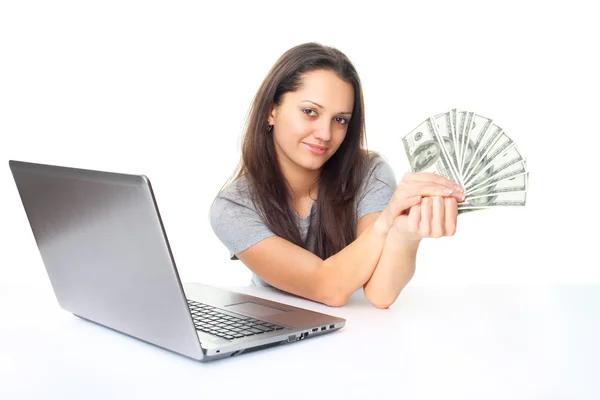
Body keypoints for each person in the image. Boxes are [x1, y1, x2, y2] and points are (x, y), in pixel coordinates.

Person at [209, 42, 465, 309]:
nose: (325, 134)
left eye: (340, 119)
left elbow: (380, 294)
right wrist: (387, 219)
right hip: (275, 332)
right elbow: (327, 287)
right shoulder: (232, 208)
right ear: (271, 111)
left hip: (353, 335)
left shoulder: (369, 172)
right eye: (310, 112)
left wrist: (404, 233)